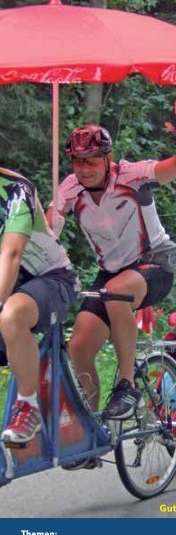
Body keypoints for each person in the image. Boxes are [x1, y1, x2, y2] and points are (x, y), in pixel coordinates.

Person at [46, 95, 176, 421]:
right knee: (80, 346)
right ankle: (89, 429)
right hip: (111, 272)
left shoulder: (133, 175)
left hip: (155, 263)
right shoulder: (70, 189)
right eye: (77, 161)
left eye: (92, 161)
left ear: (108, 158)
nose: (84, 169)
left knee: (116, 293)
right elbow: (48, 231)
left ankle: (127, 386)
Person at [0, 167, 79, 446]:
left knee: (11, 314)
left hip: (51, 278)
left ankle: (27, 406)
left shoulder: (15, 189)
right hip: (11, 281)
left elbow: (11, 254)